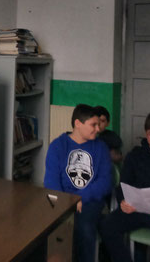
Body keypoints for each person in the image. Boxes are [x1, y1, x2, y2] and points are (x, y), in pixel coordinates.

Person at [100, 112, 150, 262]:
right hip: (135, 209)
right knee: (107, 226)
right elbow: (123, 184)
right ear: (146, 133)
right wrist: (123, 202)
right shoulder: (135, 156)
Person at [44, 103, 112, 262]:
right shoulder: (58, 146)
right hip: (61, 199)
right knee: (45, 228)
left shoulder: (101, 147)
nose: (98, 129)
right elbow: (51, 182)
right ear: (78, 123)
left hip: (89, 201)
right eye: (93, 125)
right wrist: (66, 202)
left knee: (84, 228)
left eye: (98, 124)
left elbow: (105, 182)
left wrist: (80, 198)